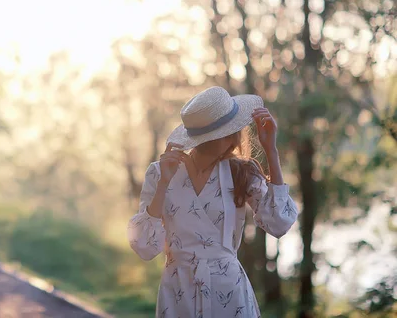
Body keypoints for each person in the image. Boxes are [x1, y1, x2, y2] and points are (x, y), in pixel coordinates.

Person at [127, 86, 299, 318]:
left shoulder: (242, 171)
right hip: (179, 293)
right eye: (233, 129)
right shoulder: (160, 173)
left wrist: (271, 152)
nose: (238, 134)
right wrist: (163, 184)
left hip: (228, 294)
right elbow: (145, 247)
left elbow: (279, 224)